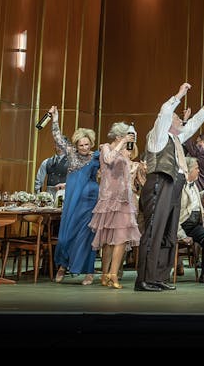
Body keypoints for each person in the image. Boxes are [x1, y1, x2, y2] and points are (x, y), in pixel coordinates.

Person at [135, 83, 204, 292]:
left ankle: (159, 276)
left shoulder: (176, 138)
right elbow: (164, 112)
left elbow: (192, 125)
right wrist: (179, 95)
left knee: (168, 233)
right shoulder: (158, 136)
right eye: (177, 118)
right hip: (159, 184)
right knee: (154, 230)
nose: (181, 120)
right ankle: (144, 279)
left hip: (175, 186)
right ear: (168, 122)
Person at [49, 107, 100, 285]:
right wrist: (55, 119)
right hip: (73, 201)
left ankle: (89, 272)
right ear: (76, 145)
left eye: (87, 144)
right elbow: (58, 137)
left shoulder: (97, 157)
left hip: (90, 201)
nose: (84, 147)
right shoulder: (71, 154)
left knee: (87, 237)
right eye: (81, 145)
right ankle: (63, 266)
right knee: (66, 236)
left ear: (91, 143)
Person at [90, 122, 142, 289]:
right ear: (119, 136)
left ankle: (113, 274)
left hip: (124, 200)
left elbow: (128, 169)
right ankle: (105, 273)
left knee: (121, 239)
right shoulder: (105, 147)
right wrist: (121, 144)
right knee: (107, 241)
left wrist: (128, 148)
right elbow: (108, 160)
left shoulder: (125, 151)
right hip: (108, 199)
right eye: (126, 135)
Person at [176, 157, 204, 283]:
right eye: (196, 168)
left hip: (194, 225)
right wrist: (181, 235)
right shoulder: (179, 186)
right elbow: (174, 215)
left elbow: (196, 200)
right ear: (188, 170)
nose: (198, 171)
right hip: (182, 225)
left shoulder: (194, 185)